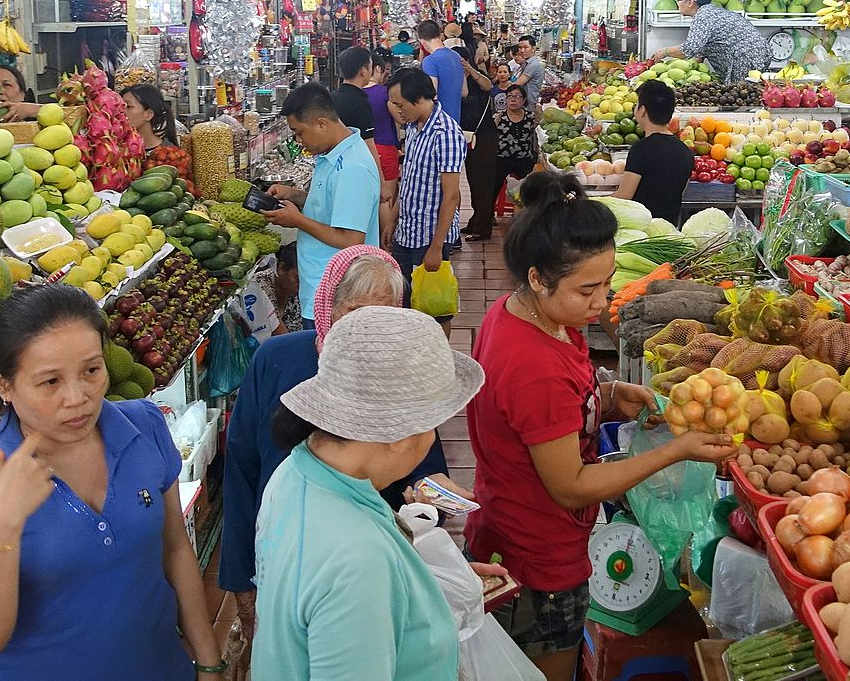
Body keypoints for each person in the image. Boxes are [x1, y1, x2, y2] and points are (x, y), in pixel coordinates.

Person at [465, 172, 737, 680]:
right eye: (587, 289)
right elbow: (570, 486)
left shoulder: (534, 316)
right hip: (536, 558)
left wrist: (610, 397)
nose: (601, 300)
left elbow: (550, 417)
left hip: (517, 526)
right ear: (538, 278)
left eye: (606, 282)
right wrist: (674, 451)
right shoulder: (533, 366)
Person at [0, 286, 226, 679]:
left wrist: (207, 659)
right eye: (50, 382)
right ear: (4, 384)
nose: (78, 397)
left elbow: (175, 550)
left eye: (91, 370)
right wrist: (2, 525)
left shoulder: (144, 426)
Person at [221, 247, 448, 642]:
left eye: (382, 317)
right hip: (279, 552)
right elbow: (241, 469)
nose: (365, 330)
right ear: (328, 307)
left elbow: (426, 468)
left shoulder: (399, 375)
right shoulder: (276, 360)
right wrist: (241, 580)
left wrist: (432, 495)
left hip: (366, 569)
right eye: (354, 313)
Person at [253, 306, 484, 681]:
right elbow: (350, 581)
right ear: (400, 435)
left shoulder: (297, 471)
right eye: (434, 426)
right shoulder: (359, 560)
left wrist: (422, 587)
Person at [260, 83, 382, 334]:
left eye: (299, 132)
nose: (299, 140)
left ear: (322, 123)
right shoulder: (332, 155)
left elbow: (351, 239)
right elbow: (330, 204)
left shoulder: (353, 168)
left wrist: (297, 221)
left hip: (336, 296)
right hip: (320, 288)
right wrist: (293, 195)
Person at [386, 68, 465, 316]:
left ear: (419, 98)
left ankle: (437, 353)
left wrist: (436, 247)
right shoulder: (412, 128)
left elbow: (451, 195)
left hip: (430, 236)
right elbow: (409, 179)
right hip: (406, 231)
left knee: (434, 306)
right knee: (404, 298)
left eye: (400, 105)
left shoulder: (446, 134)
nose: (398, 111)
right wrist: (393, 219)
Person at [651, 0, 770, 82]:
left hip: (746, 58)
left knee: (740, 97)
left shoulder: (703, 16)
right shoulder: (708, 11)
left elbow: (689, 48)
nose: (677, 4)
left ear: (690, 2)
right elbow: (700, 50)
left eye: (679, 0)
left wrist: (664, 52)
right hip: (757, 54)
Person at [614, 80, 694, 226]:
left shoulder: (641, 150)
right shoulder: (686, 152)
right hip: (668, 229)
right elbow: (677, 194)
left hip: (640, 229)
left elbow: (623, 199)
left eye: (636, 105)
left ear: (642, 110)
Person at [474, 85, 541, 241]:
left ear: (523, 100)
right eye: (510, 96)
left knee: (529, 187)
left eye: (517, 96)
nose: (513, 99)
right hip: (501, 158)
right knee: (490, 188)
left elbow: (537, 138)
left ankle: (528, 218)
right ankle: (487, 217)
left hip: (523, 159)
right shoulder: (499, 117)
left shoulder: (531, 118)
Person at [459, 41, 503, 241]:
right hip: (469, 139)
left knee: (483, 183)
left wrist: (469, 69)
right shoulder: (456, 81)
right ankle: (476, 220)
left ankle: (483, 228)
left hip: (484, 137)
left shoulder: (478, 79)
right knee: (473, 182)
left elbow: (487, 85)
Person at [364, 50, 401, 242]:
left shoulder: (357, 93)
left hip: (364, 149)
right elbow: (399, 117)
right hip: (385, 147)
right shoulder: (384, 92)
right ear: (376, 69)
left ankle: (373, 239)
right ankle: (387, 240)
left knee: (370, 196)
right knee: (386, 198)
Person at [122, 85, 192, 183]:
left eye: (128, 106)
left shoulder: (170, 156)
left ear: (148, 114)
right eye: (121, 106)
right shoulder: (117, 150)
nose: (122, 111)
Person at [331, 46, 378, 156]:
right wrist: (378, 172)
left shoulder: (332, 97)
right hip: (355, 161)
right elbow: (369, 145)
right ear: (364, 71)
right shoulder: (361, 103)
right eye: (371, 67)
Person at [417, 19, 465, 121]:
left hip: (439, 124)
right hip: (455, 121)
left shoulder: (430, 61)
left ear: (422, 42)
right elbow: (464, 92)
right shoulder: (456, 56)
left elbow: (432, 96)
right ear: (440, 35)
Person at [511, 35, 546, 112]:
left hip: (529, 106)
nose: (522, 50)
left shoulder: (533, 65)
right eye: (520, 48)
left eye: (526, 47)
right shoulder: (526, 63)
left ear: (533, 49)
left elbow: (518, 84)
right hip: (525, 104)